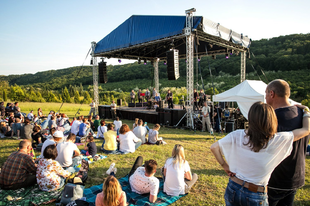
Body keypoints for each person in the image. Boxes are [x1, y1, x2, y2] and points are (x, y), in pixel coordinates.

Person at [210, 101, 310, 206]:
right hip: (256, 192)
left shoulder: (237, 135)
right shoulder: (278, 139)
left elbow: (214, 147)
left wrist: (224, 165)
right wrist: (306, 110)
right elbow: (306, 130)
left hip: (234, 187)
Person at [265, 79, 310, 206]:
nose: (265, 97)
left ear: (272, 94)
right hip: (295, 178)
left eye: (266, 93)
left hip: (275, 179)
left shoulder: (271, 118)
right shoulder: (304, 114)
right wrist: (306, 109)